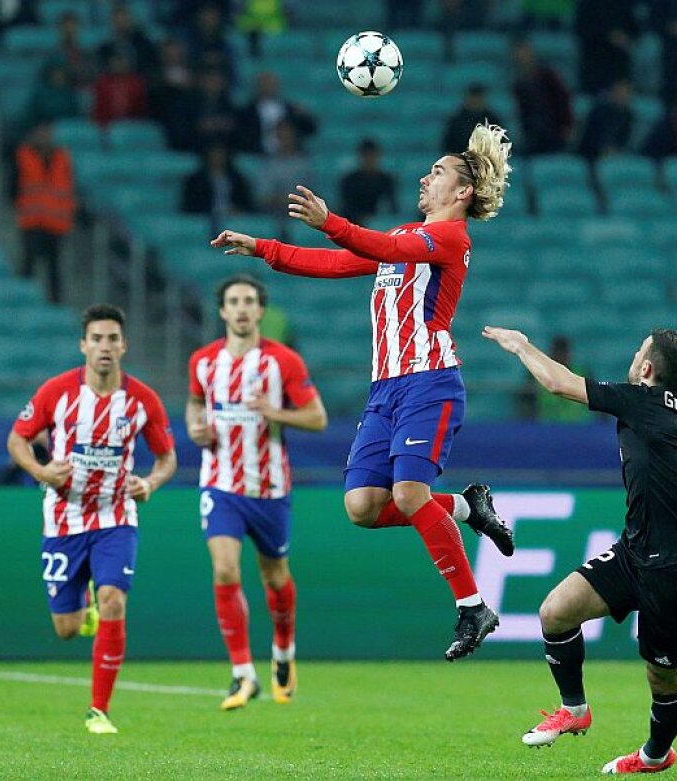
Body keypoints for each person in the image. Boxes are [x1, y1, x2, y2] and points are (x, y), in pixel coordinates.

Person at [210, 122, 518, 661]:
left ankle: (473, 606)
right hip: (386, 392)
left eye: (438, 172)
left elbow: (366, 242)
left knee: (407, 495)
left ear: (463, 192)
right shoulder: (405, 240)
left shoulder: (447, 238)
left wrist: (331, 221)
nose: (426, 177)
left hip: (429, 383)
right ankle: (469, 508)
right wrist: (262, 248)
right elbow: (334, 261)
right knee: (363, 506)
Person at [481, 325, 677, 774]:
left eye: (638, 352)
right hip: (634, 553)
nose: (633, 357)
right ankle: (575, 711)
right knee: (556, 612)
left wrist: (520, 346)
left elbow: (559, 383)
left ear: (648, 368)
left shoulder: (640, 400)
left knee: (664, 678)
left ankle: (656, 755)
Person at [6, 304, 178, 734]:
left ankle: (98, 710)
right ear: (84, 345)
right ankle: (85, 607)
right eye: (97, 338)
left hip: (116, 514)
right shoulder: (57, 392)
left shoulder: (142, 400)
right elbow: (17, 438)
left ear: (124, 345)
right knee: (66, 629)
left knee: (115, 600)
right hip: (63, 517)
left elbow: (167, 456)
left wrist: (152, 483)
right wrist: (42, 472)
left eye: (112, 339)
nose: (105, 346)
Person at [186, 275, 328, 708]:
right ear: (223, 312)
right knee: (225, 570)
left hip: (269, 489)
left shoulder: (283, 362)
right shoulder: (204, 361)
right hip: (220, 484)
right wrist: (196, 427)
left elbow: (317, 417)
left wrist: (274, 412)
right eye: (234, 301)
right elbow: (195, 402)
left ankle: (283, 650)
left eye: (250, 301)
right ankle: (242, 674)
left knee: (275, 576)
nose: (243, 308)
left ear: (260, 311)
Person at [14, 121, 76, 303]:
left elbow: (68, 187)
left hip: (56, 223)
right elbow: (13, 186)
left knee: (54, 268)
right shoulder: (23, 156)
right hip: (32, 221)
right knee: (28, 263)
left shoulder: (63, 158)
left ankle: (56, 302)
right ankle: (21, 300)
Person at [511, 37, 575, 156]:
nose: (522, 57)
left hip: (553, 130)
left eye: (525, 53)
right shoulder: (515, 82)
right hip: (530, 133)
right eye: (518, 54)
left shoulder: (549, 76)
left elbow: (562, 100)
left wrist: (567, 124)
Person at [180, 144, 255, 233]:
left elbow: (246, 201)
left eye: (221, 155)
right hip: (205, 216)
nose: (218, 159)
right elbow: (190, 204)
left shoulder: (237, 178)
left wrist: (239, 209)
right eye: (214, 155)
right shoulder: (195, 180)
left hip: (233, 217)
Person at [519, 335, 591, 422]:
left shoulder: (583, 373)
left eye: (563, 352)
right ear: (551, 353)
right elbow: (525, 405)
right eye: (557, 352)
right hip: (548, 428)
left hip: (580, 427)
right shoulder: (537, 373)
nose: (560, 356)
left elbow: (598, 400)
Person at [339, 138, 399, 226]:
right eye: (366, 156)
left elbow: (393, 207)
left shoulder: (386, 180)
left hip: (379, 224)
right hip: (354, 224)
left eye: (372, 155)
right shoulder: (349, 181)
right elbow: (345, 208)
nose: (369, 159)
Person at [441, 83, 504, 155]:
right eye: (474, 98)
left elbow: (502, 143)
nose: (476, 101)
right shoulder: (456, 121)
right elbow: (448, 145)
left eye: (479, 98)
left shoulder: (493, 119)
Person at [91, 50, 149, 129]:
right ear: (110, 64)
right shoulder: (102, 83)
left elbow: (141, 108)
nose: (119, 64)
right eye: (116, 61)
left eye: (122, 61)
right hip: (107, 125)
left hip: (133, 124)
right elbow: (99, 108)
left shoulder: (137, 83)